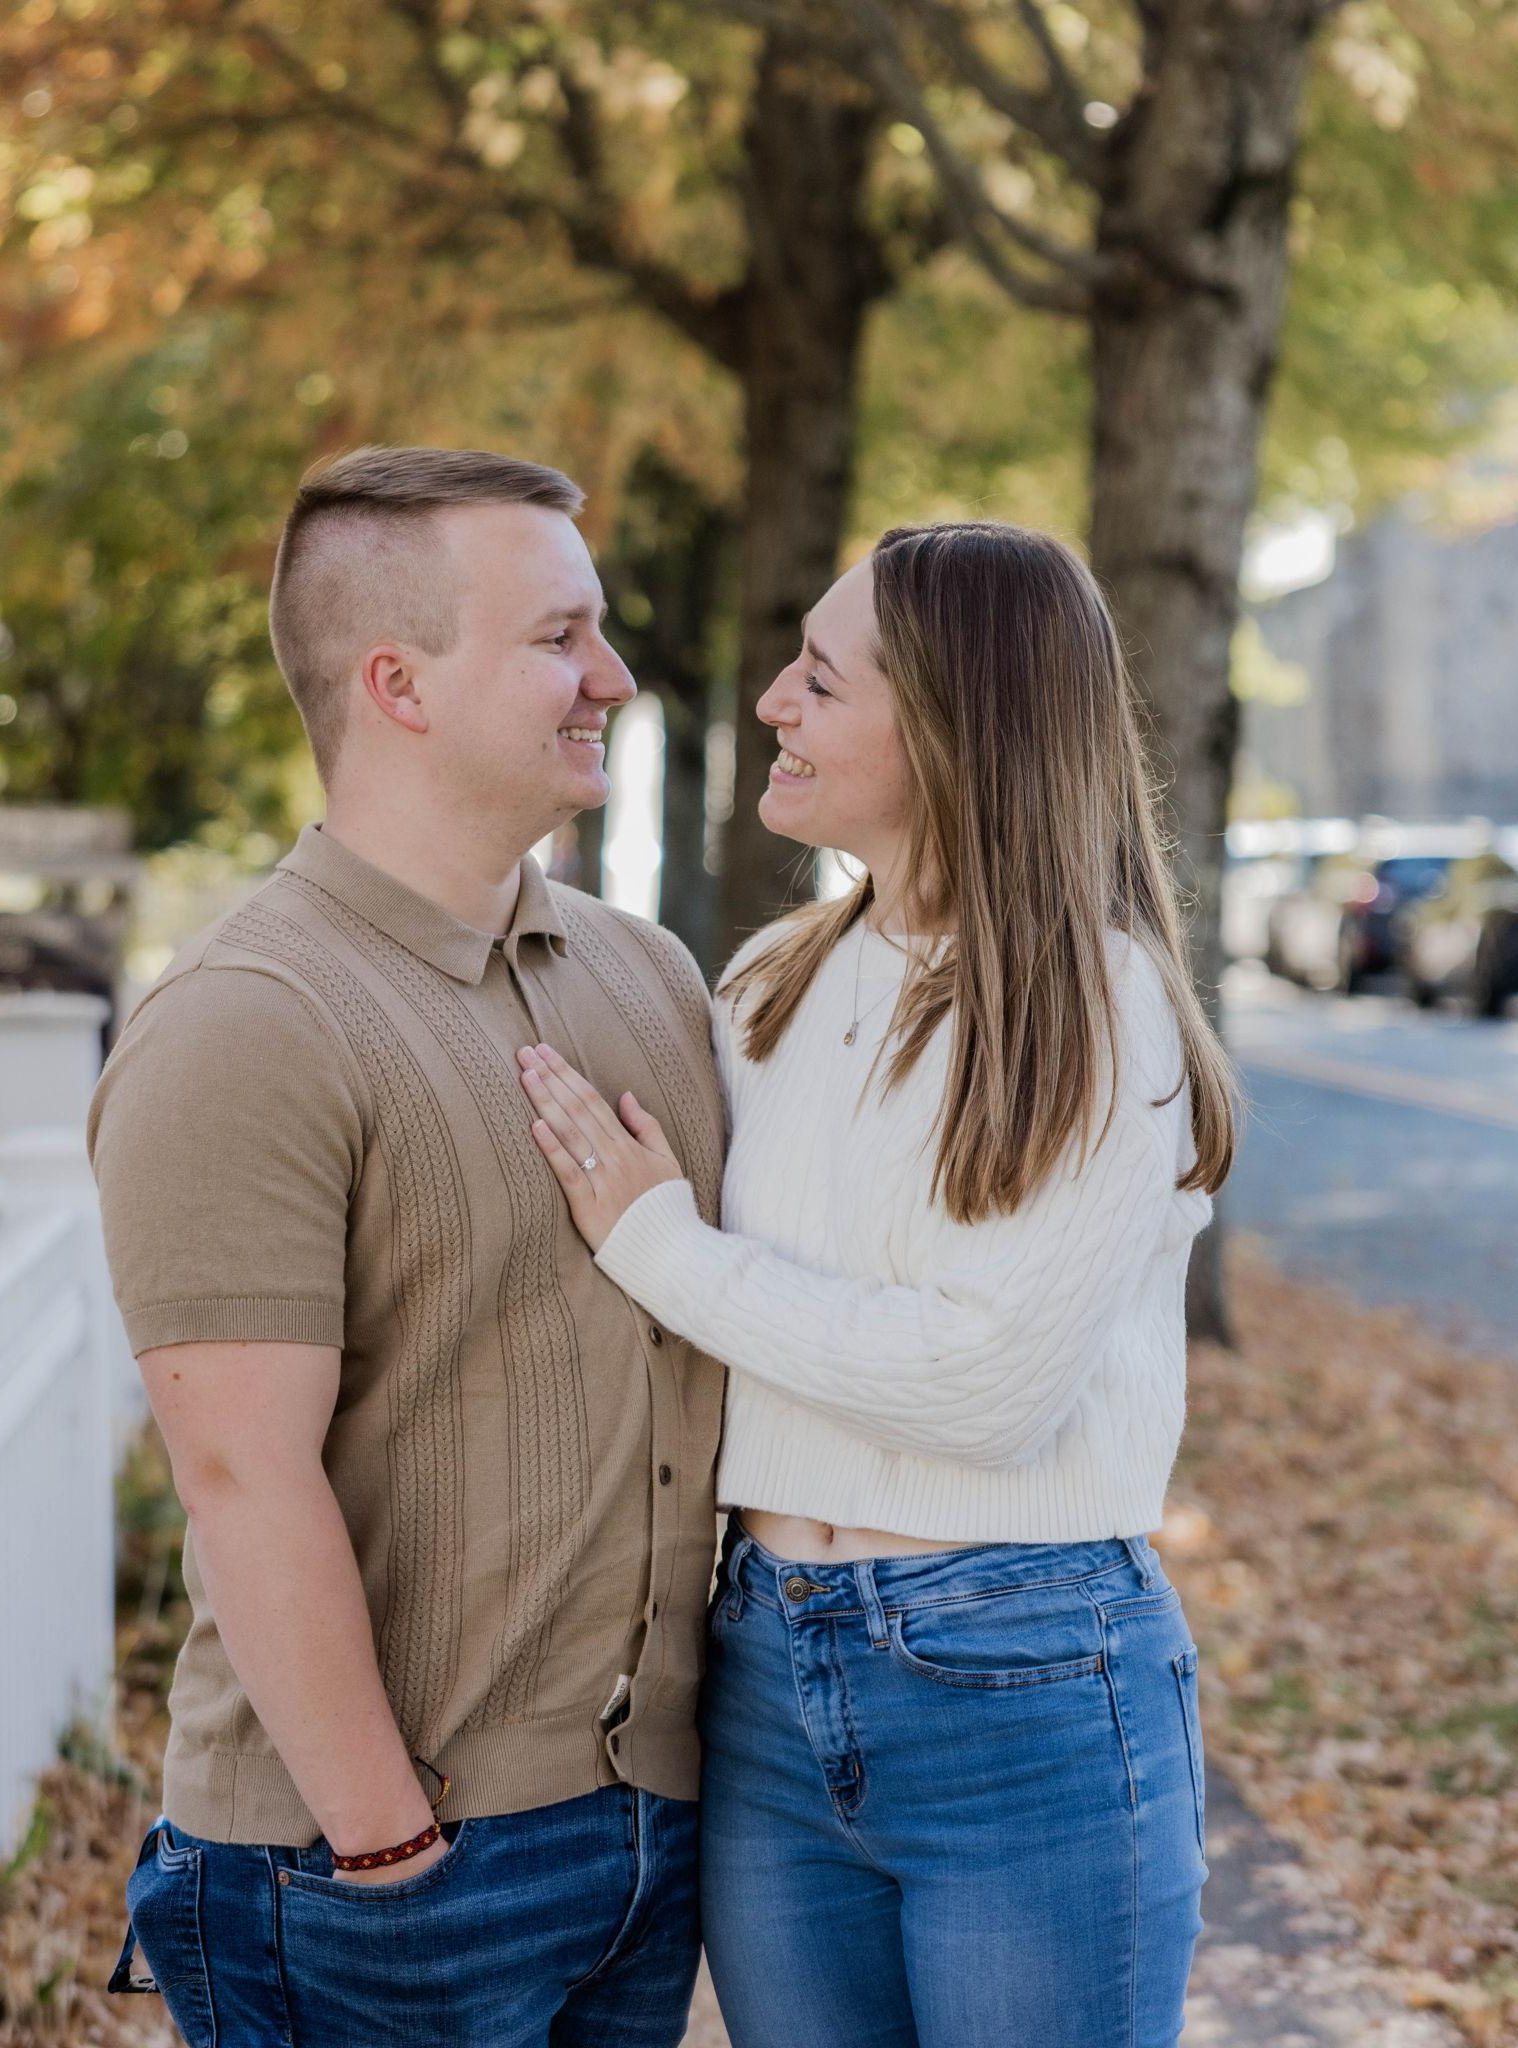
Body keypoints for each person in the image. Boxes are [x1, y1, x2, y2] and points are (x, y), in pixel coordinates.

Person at [516, 519, 1237, 2048]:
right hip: (765, 1663)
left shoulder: (1099, 1007)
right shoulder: (770, 982)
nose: (773, 701)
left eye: (822, 681)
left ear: (956, 730)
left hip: (1026, 1672)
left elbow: (983, 1385)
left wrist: (662, 1246)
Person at [87, 446, 728, 2047]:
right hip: (371, 1870)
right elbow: (240, 1476)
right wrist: (389, 1848)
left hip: (648, 1841)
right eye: (559, 638)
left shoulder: (650, 980)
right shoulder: (246, 1021)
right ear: (399, 684)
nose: (613, 677)